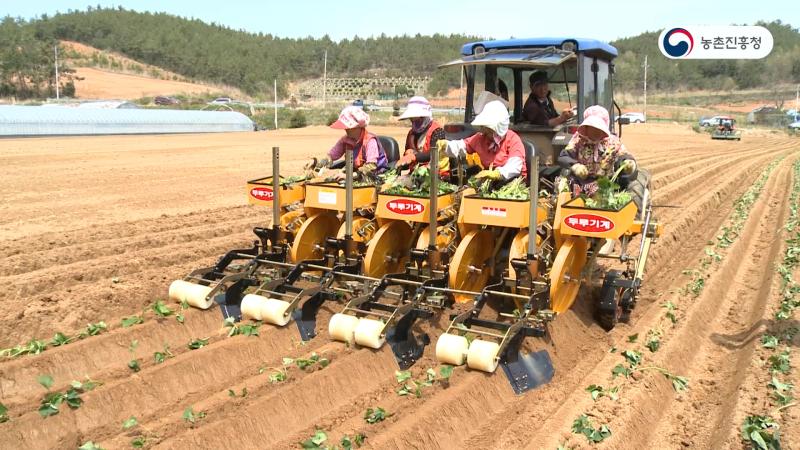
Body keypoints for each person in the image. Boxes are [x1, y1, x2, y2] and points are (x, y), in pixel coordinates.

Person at [557, 105, 636, 198]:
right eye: (592, 128)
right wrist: (576, 166)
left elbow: (623, 155)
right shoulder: (578, 140)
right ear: (586, 128)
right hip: (580, 183)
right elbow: (564, 157)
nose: (595, 132)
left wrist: (627, 162)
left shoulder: (613, 142)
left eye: (598, 129)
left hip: (606, 184)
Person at [440, 100, 528, 182]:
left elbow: (515, 165)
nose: (483, 130)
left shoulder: (513, 139)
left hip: (513, 182)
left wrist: (497, 173)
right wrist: (445, 146)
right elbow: (462, 146)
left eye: (486, 127)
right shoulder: (481, 138)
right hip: (492, 182)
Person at [308, 105, 388, 180]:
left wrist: (348, 176)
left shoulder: (370, 141)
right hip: (354, 173)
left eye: (348, 127)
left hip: (375, 175)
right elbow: (330, 157)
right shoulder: (345, 140)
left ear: (357, 126)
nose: (345, 129)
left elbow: (371, 167)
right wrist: (315, 163)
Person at [395, 96, 449, 177]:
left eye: (417, 120)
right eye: (412, 120)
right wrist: (406, 157)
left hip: (435, 176)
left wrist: (413, 156)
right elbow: (407, 162)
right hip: (415, 176)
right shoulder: (411, 134)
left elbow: (433, 154)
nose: (414, 122)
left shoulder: (437, 131)